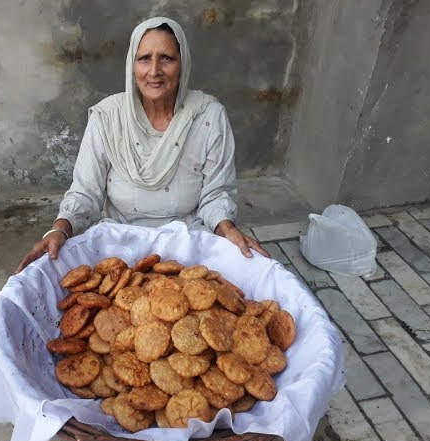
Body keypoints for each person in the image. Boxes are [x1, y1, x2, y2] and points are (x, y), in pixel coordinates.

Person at [16, 17, 269, 273]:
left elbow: (216, 194)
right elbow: (86, 192)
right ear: (132, 65)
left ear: (183, 64)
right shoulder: (108, 117)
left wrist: (227, 229)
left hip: (188, 241)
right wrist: (59, 229)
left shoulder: (209, 116)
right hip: (118, 241)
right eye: (144, 58)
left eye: (167, 58)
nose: (154, 71)